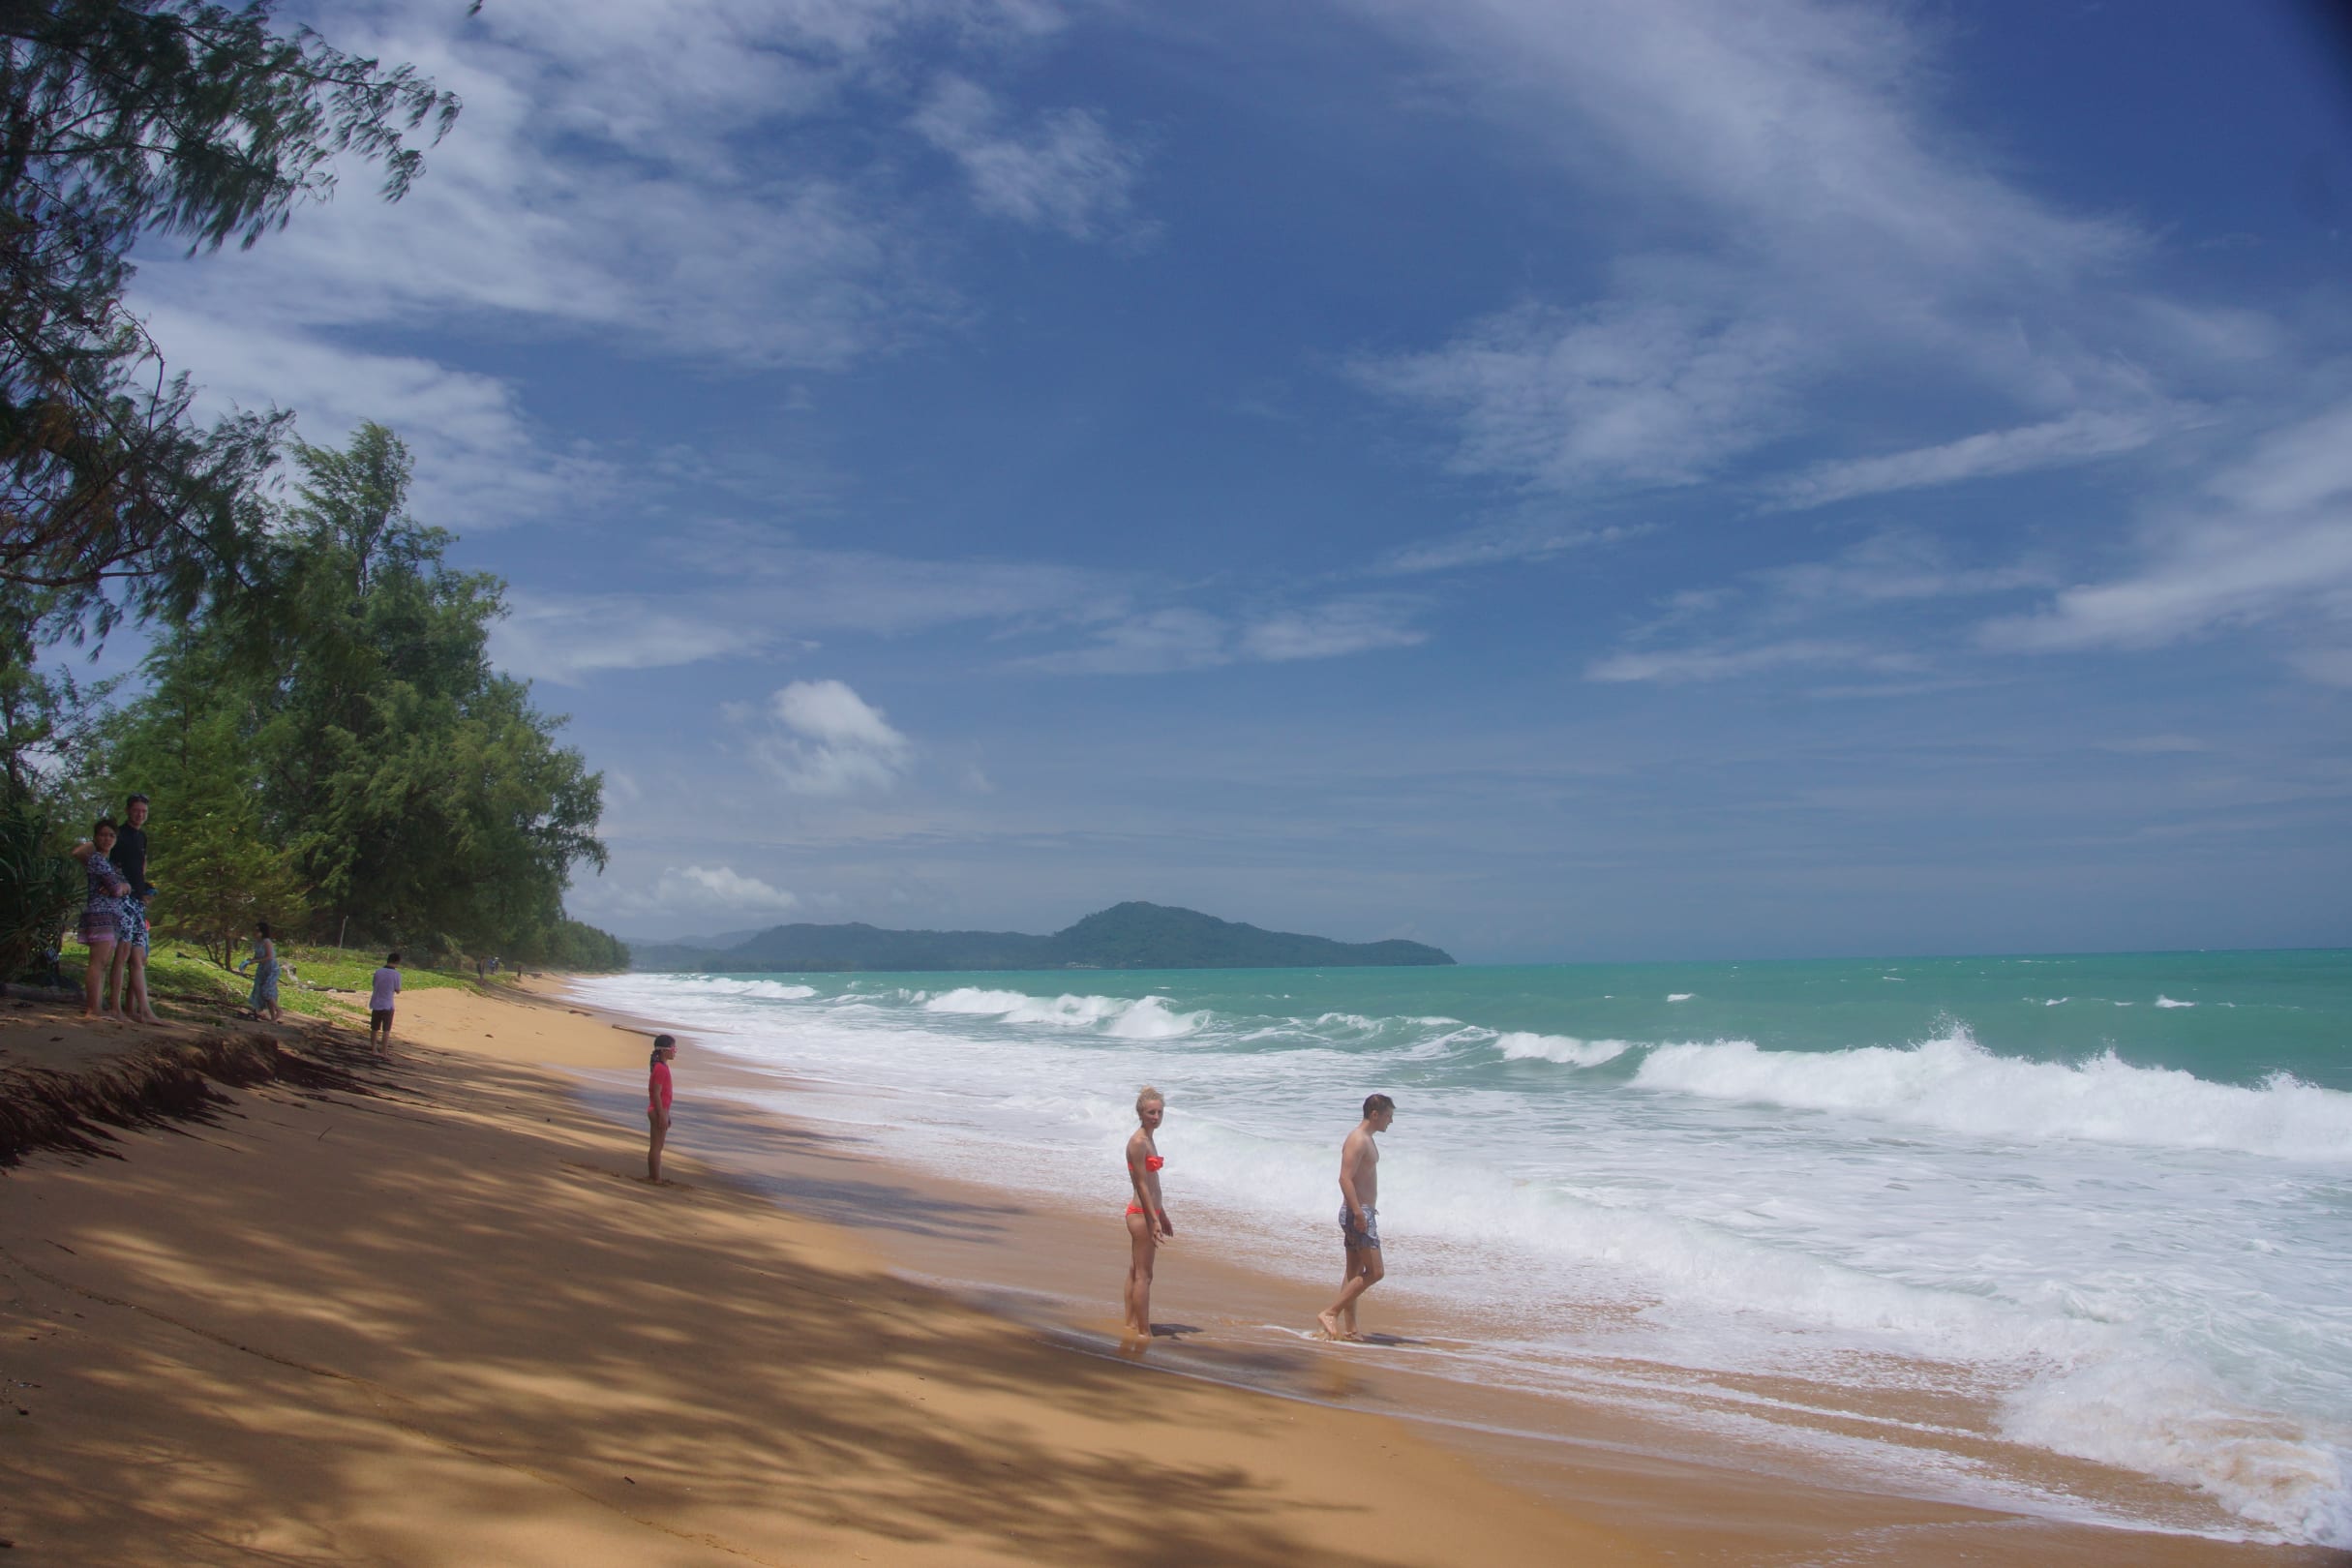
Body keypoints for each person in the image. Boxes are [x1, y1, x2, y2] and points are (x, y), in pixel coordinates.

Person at [1317, 1093, 1396, 1342]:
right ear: (1375, 1114)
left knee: (1353, 1273)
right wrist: (1359, 1213)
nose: (1390, 1121)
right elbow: (1344, 1178)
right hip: (1357, 1213)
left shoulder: (1366, 1139)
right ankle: (1331, 1312)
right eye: (1388, 1116)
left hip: (1360, 1212)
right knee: (1376, 1271)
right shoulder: (1358, 1139)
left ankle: (1350, 1329)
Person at [1122, 1085, 1176, 1340]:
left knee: (1136, 1270)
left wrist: (1161, 1214)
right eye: (1151, 1113)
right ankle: (1144, 1332)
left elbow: (1154, 1185)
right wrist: (1153, 1220)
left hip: (1149, 1213)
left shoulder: (1149, 1139)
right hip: (1141, 1215)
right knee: (1145, 1275)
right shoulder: (1138, 1142)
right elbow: (1142, 1185)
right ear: (1140, 1114)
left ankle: (1131, 1323)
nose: (1156, 1117)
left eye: (1159, 1112)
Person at [69, 819, 130, 1019]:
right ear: (95, 837)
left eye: (111, 835)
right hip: (99, 914)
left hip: (112, 916)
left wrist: (123, 887)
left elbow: (125, 886)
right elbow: (116, 888)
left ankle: (97, 1008)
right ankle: (92, 1009)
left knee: (104, 963)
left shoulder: (111, 864)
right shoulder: (96, 860)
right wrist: (120, 887)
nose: (107, 839)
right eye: (103, 835)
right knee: (97, 962)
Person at [110, 793, 162, 1025]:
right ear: (127, 811)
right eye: (136, 810)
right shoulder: (117, 834)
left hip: (139, 902)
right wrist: (113, 885)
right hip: (123, 901)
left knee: (138, 958)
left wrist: (145, 890)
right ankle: (115, 1008)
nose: (140, 815)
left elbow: (141, 865)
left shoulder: (142, 837)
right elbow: (100, 858)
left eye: (144, 812)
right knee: (122, 955)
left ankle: (144, 1011)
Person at [646, 1034, 678, 1182]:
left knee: (657, 1146)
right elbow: (656, 1093)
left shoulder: (662, 1067)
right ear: (664, 1050)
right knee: (657, 1147)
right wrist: (662, 1114)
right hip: (657, 1110)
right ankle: (655, 1178)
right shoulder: (661, 1069)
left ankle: (654, 1176)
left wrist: (666, 1113)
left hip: (660, 1110)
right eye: (673, 1048)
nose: (675, 1051)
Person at [236, 921, 282, 1022]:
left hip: (271, 969)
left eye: (257, 931)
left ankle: (278, 1010)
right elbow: (258, 956)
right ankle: (273, 1018)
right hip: (262, 969)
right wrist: (250, 961)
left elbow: (270, 956)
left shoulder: (267, 941)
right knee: (262, 992)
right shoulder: (257, 943)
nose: (255, 933)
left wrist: (256, 961)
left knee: (267, 991)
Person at [369, 952, 403, 1051]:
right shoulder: (396, 974)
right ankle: (384, 1052)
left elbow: (374, 984)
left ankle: (374, 1050)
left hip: (376, 1003)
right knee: (386, 1030)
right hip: (388, 1004)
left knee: (374, 1029)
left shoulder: (378, 971)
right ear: (397, 962)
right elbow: (398, 990)